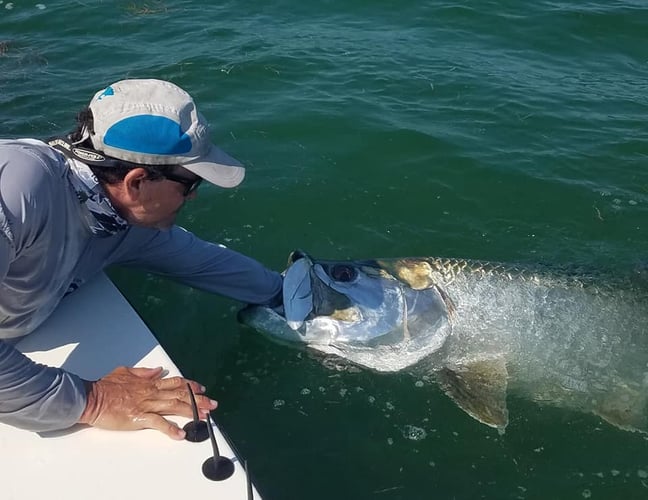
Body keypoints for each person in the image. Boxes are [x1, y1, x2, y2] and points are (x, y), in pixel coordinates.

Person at [0, 78, 283, 439]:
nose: (193, 197)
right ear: (137, 181)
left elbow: (202, 261)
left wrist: (284, 293)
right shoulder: (16, 188)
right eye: (190, 184)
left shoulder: (118, 219)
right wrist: (94, 400)